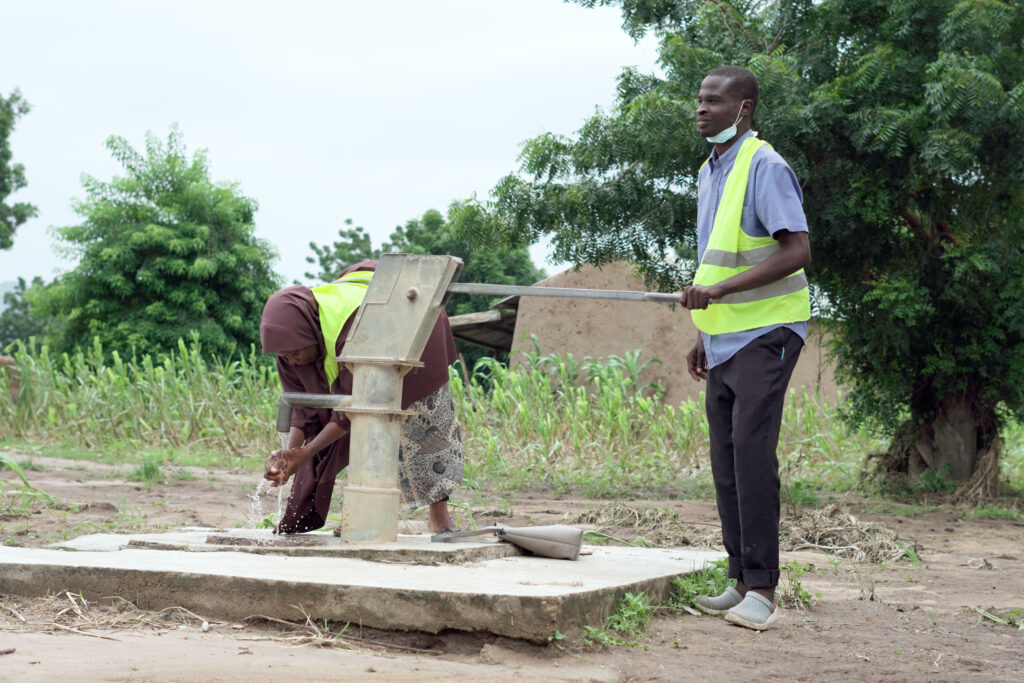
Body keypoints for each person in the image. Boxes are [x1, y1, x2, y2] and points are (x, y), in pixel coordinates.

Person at [678, 65, 812, 631]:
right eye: (700, 100)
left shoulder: (764, 165)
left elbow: (797, 250)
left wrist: (720, 293)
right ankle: (739, 579)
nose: (702, 109)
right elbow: (718, 260)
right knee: (727, 460)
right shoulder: (712, 170)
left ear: (745, 108)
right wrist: (704, 333)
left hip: (769, 331)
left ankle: (763, 590)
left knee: (752, 454)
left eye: (715, 100)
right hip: (726, 338)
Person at [259, 260, 463, 535]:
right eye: (284, 355)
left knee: (424, 426)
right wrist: (289, 453)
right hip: (366, 335)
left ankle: (439, 517)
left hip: (412, 325)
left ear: (311, 330)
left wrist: (304, 454)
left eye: (296, 352)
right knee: (360, 436)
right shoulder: (292, 346)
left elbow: (355, 407)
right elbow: (304, 407)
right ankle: (362, 518)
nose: (291, 359)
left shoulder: (348, 332)